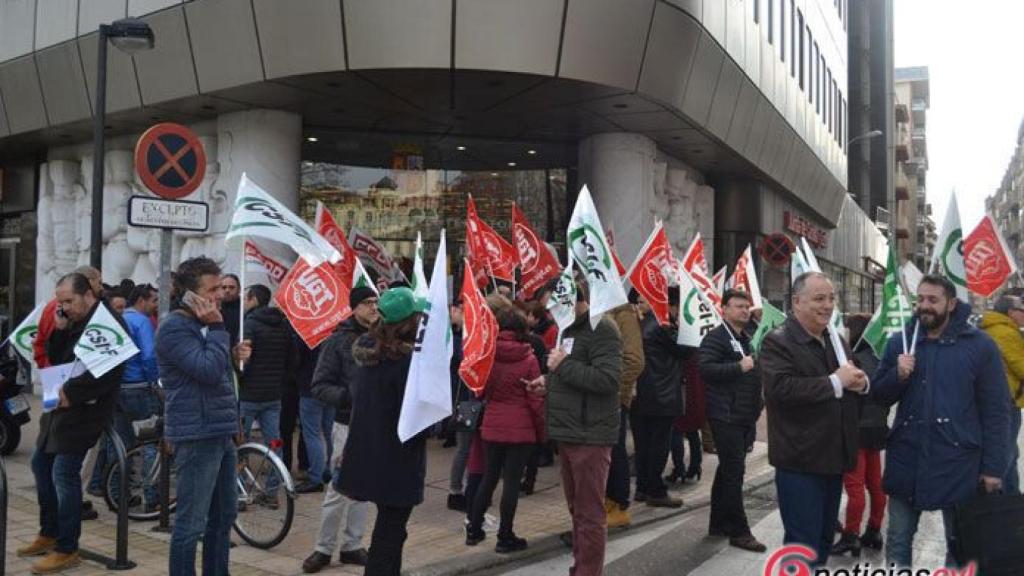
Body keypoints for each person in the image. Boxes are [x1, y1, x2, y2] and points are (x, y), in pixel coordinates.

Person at [873, 275, 1010, 567]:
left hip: (960, 463)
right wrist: (897, 375)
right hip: (907, 460)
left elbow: (996, 411)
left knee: (960, 544)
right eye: (920, 299)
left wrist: (993, 468)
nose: (924, 306)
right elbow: (879, 396)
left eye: (932, 300)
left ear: (950, 303)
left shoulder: (980, 346)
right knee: (897, 540)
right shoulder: (901, 342)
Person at [17, 273, 124, 574]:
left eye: (68, 301)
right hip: (60, 403)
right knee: (41, 464)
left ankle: (67, 547)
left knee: (64, 473)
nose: (63, 307)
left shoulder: (107, 321)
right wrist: (60, 331)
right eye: (60, 301)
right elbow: (59, 359)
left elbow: (110, 372)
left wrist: (72, 394)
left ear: (87, 294)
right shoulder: (74, 320)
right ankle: (49, 531)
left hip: (85, 409)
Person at [759, 271, 868, 565]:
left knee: (821, 541)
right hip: (800, 460)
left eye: (832, 299)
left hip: (833, 458)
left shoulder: (833, 339)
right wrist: (835, 382)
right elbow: (781, 389)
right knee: (802, 544)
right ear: (796, 302)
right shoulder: (778, 341)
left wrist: (861, 382)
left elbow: (852, 374)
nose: (828, 306)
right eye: (819, 299)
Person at [157, 257, 251, 576]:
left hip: (220, 431)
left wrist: (231, 352)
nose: (219, 295)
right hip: (197, 434)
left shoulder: (202, 324)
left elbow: (218, 375)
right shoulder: (175, 327)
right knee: (190, 523)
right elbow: (208, 372)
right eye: (212, 289)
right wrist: (218, 329)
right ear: (190, 294)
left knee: (223, 517)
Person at [525, 277, 622, 576]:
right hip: (567, 432)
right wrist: (548, 382)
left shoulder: (601, 328)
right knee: (577, 511)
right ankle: (581, 565)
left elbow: (608, 379)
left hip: (589, 434)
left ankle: (589, 571)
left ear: (570, 299)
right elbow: (568, 372)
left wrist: (563, 366)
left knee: (590, 514)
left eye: (552, 307)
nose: (550, 315)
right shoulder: (567, 329)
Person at [336, 287, 427, 575]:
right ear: (410, 321)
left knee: (392, 532)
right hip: (398, 456)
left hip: (369, 449)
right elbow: (416, 417)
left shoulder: (370, 351)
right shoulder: (407, 363)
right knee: (389, 534)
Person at [301, 287, 378, 573]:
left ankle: (352, 545)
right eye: (367, 303)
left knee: (364, 489)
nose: (373, 307)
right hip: (346, 424)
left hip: (374, 425)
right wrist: (349, 397)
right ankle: (323, 548)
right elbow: (319, 386)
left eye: (376, 302)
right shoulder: (337, 342)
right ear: (354, 307)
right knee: (338, 488)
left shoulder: (383, 338)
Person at [465, 302, 545, 553]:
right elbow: (535, 398)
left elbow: (480, 390)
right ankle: (505, 535)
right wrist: (542, 429)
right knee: (511, 482)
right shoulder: (529, 358)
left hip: (492, 424)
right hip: (520, 428)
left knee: (489, 477)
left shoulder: (487, 356)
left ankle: (474, 528)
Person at [699, 289, 766, 552]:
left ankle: (718, 523)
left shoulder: (747, 339)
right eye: (738, 306)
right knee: (734, 472)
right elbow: (706, 369)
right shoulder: (716, 338)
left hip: (743, 415)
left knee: (727, 470)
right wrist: (739, 367)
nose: (743, 310)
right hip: (725, 414)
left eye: (746, 306)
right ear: (723, 309)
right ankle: (739, 531)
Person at [833, 313, 890, 557]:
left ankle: (851, 535)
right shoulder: (881, 358)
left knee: (854, 486)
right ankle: (874, 530)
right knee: (875, 484)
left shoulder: (852, 360)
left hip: (855, 429)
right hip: (877, 429)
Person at [107, 284, 162, 510]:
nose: (156, 305)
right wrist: (154, 381)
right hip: (139, 388)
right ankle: (153, 498)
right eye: (154, 300)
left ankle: (117, 496)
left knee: (120, 444)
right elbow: (149, 356)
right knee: (149, 442)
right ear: (141, 300)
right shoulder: (141, 322)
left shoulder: (116, 319)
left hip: (116, 389)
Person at [633, 289, 689, 509]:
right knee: (658, 445)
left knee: (643, 444)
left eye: (642, 299)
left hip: (640, 394)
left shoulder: (638, 325)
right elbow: (685, 350)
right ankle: (656, 490)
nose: (639, 303)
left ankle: (642, 488)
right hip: (661, 394)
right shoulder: (660, 325)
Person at [238, 284, 291, 499]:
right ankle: (271, 492)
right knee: (274, 442)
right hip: (273, 395)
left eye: (245, 297)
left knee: (240, 443)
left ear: (253, 299)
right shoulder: (282, 324)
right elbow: (291, 359)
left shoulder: (250, 324)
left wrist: (239, 374)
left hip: (249, 394)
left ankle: (239, 491)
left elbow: (244, 360)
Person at [604, 296, 645, 528]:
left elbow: (634, 361)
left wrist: (611, 387)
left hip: (614, 397)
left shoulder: (623, 315)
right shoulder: (599, 311)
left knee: (615, 449)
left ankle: (618, 504)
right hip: (601, 396)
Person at [979, 295, 1024, 495]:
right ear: (1010, 312)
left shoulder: (990, 329)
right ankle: (1007, 500)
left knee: (1007, 452)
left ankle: (1009, 496)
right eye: (1021, 309)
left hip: (998, 401)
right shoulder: (1006, 333)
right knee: (1006, 454)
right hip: (1008, 403)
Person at [33, 266, 102, 369]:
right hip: (62, 372)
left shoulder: (53, 307)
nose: (102, 287)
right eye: (99, 282)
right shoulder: (60, 311)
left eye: (69, 301)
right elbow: (42, 342)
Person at [220, 273, 242, 345]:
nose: (227, 290)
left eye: (231, 287)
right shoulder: (213, 307)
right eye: (224, 287)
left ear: (239, 289)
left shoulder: (244, 309)